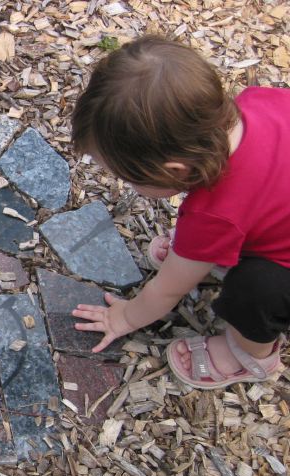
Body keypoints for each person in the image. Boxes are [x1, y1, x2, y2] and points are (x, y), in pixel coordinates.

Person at [69, 35, 289, 389]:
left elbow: (167, 291)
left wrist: (124, 316)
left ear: (175, 170)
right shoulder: (255, 100)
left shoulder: (214, 215)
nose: (127, 186)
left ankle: (253, 355)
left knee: (256, 291)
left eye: (127, 178)